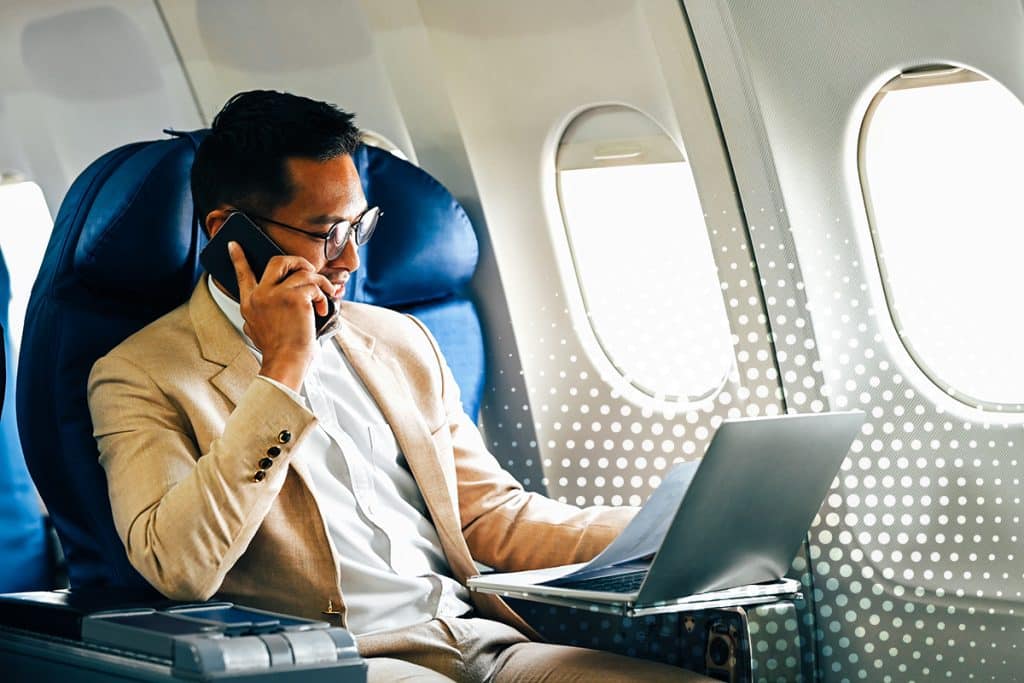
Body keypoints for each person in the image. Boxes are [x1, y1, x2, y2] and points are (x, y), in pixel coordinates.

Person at [88, 90, 713, 682]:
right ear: (229, 231)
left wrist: (664, 532)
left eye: (359, 228)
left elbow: (490, 517)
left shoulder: (398, 339)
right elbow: (179, 567)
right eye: (327, 233)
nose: (351, 262)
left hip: (476, 641)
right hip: (340, 660)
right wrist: (280, 372)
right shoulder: (140, 374)